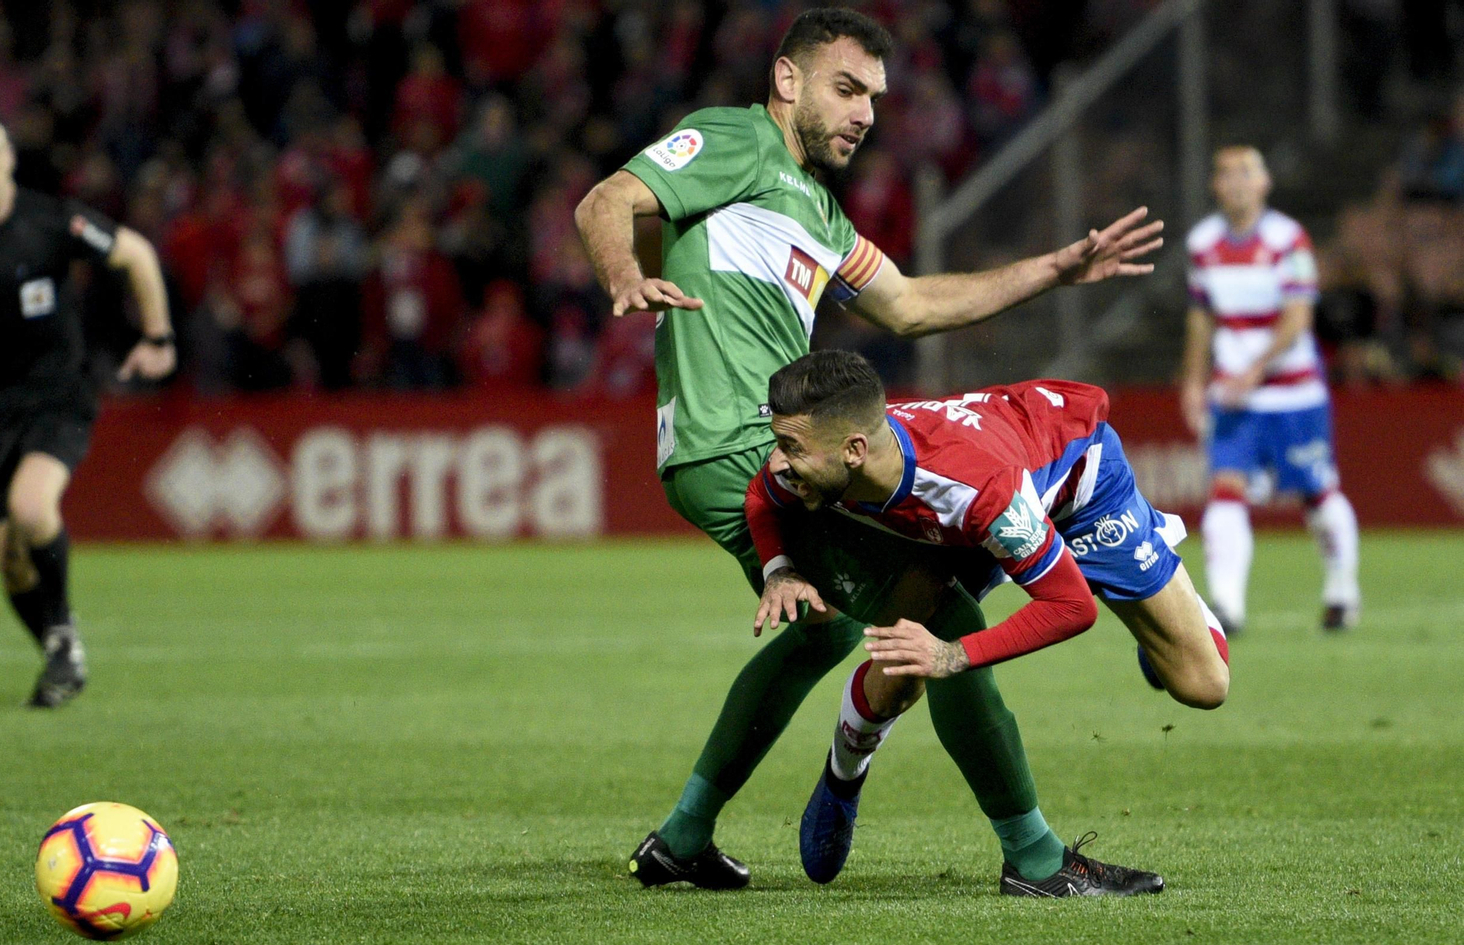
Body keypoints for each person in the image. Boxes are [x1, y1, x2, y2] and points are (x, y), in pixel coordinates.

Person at [573, 7, 1164, 889]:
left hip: (755, 446)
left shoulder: (816, 211)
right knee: (942, 618)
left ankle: (684, 837)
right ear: (786, 79)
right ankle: (1037, 859)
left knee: (825, 631)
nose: (863, 114)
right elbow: (606, 200)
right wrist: (624, 275)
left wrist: (1053, 270)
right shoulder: (737, 142)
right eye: (846, 89)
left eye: (875, 99)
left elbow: (912, 306)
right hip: (744, 445)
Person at [744, 349, 1230, 895]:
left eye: (792, 448)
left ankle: (1163, 596)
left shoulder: (975, 489)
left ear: (855, 451)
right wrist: (779, 570)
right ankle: (843, 772)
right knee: (906, 661)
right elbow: (762, 496)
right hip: (979, 506)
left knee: (1204, 685)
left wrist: (954, 655)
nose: (779, 461)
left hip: (1079, 486)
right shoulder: (830, 460)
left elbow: (1072, 608)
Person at [0, 105, 176, 707]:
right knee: (10, 564)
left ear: (9, 156)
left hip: (58, 392)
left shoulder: (51, 219)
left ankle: (61, 636)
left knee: (31, 507)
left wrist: (158, 337)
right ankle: (63, 653)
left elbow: (136, 254)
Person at [1180, 145, 1361, 633]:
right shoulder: (1202, 242)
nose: (1236, 181)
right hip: (1234, 397)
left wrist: (1255, 370)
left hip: (1293, 393)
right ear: (1215, 185)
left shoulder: (1288, 239)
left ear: (1264, 183)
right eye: (1226, 173)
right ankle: (1227, 607)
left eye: (1246, 172)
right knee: (1225, 489)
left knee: (1318, 491)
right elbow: (1200, 317)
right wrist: (1193, 381)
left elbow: (1298, 316)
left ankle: (1342, 591)